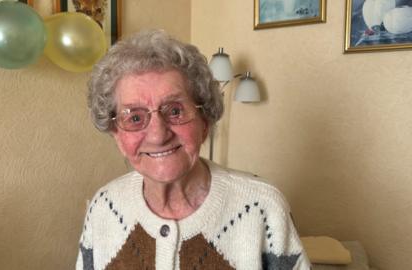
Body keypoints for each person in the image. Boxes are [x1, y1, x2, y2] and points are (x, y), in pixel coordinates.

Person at [76, 30, 311, 270]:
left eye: (175, 111)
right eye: (134, 117)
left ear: (205, 121)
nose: (158, 135)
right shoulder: (104, 207)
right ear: (116, 134)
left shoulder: (263, 207)